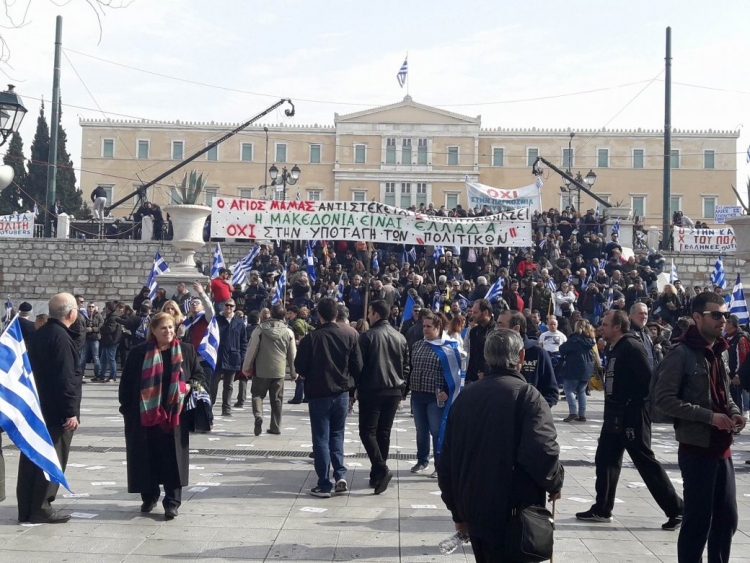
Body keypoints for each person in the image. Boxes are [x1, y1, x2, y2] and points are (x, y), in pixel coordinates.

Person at [438, 329, 564, 560]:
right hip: (513, 508)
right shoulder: (528, 395)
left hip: (474, 505)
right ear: (521, 357)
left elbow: (446, 459)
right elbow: (542, 450)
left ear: (487, 358)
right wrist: (555, 481)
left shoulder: (466, 396)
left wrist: (457, 510)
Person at [655, 292, 744, 562]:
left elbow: (725, 394)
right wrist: (709, 417)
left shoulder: (720, 351)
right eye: (715, 314)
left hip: (723, 448)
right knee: (697, 522)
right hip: (696, 448)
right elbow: (663, 400)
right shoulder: (680, 352)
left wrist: (735, 413)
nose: (722, 320)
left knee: (727, 519)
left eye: (724, 315)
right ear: (697, 317)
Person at [577, 309, 683, 529]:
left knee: (645, 461)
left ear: (617, 327)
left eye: (605, 324)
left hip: (631, 414)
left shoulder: (632, 346)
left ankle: (677, 510)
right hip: (615, 414)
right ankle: (602, 508)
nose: (601, 328)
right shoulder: (617, 347)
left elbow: (649, 381)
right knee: (605, 458)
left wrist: (634, 407)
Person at [118, 312, 205, 520]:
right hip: (146, 415)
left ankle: (172, 502)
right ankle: (149, 496)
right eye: (163, 328)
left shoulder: (186, 350)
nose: (168, 331)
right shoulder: (139, 353)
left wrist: (189, 386)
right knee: (146, 457)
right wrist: (127, 411)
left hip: (175, 417)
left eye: (170, 327)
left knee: (173, 458)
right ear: (153, 331)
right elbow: (127, 385)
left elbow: (200, 377)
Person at [19, 293, 81, 524]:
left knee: (32, 458)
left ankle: (27, 506)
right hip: (56, 412)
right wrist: (70, 411)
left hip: (37, 408)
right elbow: (66, 380)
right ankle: (42, 506)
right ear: (71, 313)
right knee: (52, 457)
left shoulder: (41, 333)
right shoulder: (62, 338)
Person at [294, 297, 363, 498]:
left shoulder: (311, 338)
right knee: (337, 435)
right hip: (341, 392)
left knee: (321, 438)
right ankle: (340, 474)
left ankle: (324, 483)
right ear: (336, 315)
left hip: (318, 393)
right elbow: (358, 366)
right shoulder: (349, 336)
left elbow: (300, 367)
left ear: (319, 315)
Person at [357, 299, 410, 494]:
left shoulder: (368, 336)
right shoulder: (400, 337)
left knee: (367, 432)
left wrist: (356, 387)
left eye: (369, 313)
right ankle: (377, 475)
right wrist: (404, 388)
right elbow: (406, 366)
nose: (368, 316)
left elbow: (359, 366)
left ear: (376, 315)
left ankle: (381, 467)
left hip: (373, 389)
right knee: (383, 432)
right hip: (394, 390)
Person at [408, 312, 462, 478]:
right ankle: (422, 460)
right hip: (417, 394)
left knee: (437, 430)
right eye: (424, 326)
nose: (425, 329)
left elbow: (455, 373)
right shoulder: (418, 345)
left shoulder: (449, 348)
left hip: (435, 397)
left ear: (438, 328)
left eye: (429, 326)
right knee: (421, 430)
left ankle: (440, 464)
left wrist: (447, 391)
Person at [242, 304, 297, 436]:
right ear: (284, 316)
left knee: (257, 394)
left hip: (261, 369)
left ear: (271, 314)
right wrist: (294, 372)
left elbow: (251, 350)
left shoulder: (259, 330)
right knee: (277, 399)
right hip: (279, 371)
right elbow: (293, 354)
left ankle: (258, 415)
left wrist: (246, 367)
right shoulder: (289, 332)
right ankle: (275, 426)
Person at [497, 310, 559, 407]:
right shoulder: (495, 352)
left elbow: (552, 392)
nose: (496, 329)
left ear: (516, 329)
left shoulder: (538, 353)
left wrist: (535, 410)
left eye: (500, 325)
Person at [212, 298, 248, 416]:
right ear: (223, 306)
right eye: (227, 305)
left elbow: (243, 341)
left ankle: (226, 408)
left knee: (229, 385)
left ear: (234, 308)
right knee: (214, 384)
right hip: (218, 357)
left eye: (231, 306)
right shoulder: (217, 320)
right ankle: (209, 407)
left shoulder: (239, 322)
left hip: (233, 357)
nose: (229, 308)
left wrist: (241, 356)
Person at [559, 319, 596, 422]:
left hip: (574, 367)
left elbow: (562, 348)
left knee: (568, 389)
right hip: (587, 368)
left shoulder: (575, 339)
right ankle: (582, 414)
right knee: (581, 391)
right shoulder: (590, 340)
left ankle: (573, 412)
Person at [465, 299, 496, 384]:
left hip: (490, 379)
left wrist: (485, 371)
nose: (472, 315)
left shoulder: (497, 331)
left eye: (475, 313)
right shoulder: (473, 331)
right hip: (473, 379)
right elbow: (472, 354)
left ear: (485, 312)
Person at [235, 310, 260, 409]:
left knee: (243, 378)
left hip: (246, 355)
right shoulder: (259, 330)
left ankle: (241, 399)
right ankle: (256, 399)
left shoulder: (245, 329)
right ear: (258, 319)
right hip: (258, 357)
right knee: (256, 379)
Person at [725, 315, 748, 417]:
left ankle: (737, 422)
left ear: (730, 324)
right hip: (726, 375)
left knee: (736, 399)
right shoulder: (726, 337)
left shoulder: (741, 338)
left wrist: (738, 375)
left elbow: (744, 359)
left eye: (725, 322)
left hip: (735, 376)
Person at [80, 302, 104, 381]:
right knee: (83, 357)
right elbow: (81, 325)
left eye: (92, 307)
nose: (91, 308)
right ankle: (81, 374)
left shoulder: (98, 315)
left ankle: (97, 374)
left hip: (94, 338)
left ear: (94, 308)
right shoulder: (84, 315)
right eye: (89, 307)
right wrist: (85, 329)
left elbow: (101, 325)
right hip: (86, 338)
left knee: (96, 357)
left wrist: (93, 329)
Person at [98, 301, 122, 382]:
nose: (105, 309)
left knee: (111, 359)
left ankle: (113, 376)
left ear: (109, 308)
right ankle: (102, 375)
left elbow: (110, 329)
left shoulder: (113, 317)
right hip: (106, 341)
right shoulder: (109, 316)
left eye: (106, 308)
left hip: (111, 341)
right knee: (103, 359)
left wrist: (101, 328)